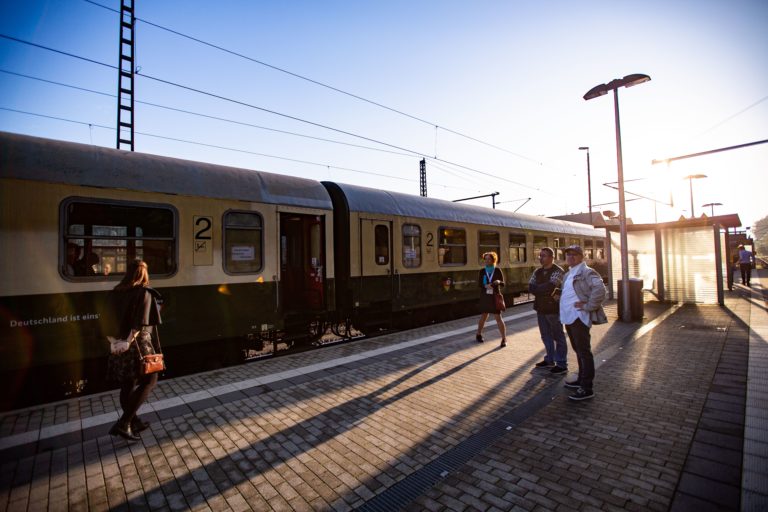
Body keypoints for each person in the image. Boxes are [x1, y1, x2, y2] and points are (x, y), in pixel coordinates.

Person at [107, 259, 162, 441]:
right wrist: (129, 341)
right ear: (143, 274)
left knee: (127, 385)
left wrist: (114, 342)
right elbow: (139, 323)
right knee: (150, 380)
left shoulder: (116, 292)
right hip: (137, 345)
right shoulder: (144, 293)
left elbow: (105, 319)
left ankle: (134, 422)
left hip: (118, 345)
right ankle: (124, 423)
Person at [560, 245, 606, 401]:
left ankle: (587, 388)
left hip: (579, 317)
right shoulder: (568, 274)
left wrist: (588, 306)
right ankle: (581, 378)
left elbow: (600, 289)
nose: (570, 257)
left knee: (584, 352)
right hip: (569, 317)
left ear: (581, 256)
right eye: (568, 254)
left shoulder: (587, 272)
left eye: (574, 254)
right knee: (578, 350)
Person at [528, 247, 567, 374]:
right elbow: (530, 287)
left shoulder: (558, 271)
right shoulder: (537, 271)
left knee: (558, 335)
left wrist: (539, 289)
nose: (541, 258)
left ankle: (561, 363)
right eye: (540, 256)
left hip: (553, 308)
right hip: (541, 308)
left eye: (543, 256)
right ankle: (549, 359)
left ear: (551, 257)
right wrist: (542, 290)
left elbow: (552, 286)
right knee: (545, 335)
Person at [475, 252, 507, 348]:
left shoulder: (497, 270)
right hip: (485, 296)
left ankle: (504, 339)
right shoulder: (482, 271)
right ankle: (478, 334)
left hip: (495, 296)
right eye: (486, 259)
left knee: (498, 317)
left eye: (489, 259)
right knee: (484, 316)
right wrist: (485, 285)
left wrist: (498, 282)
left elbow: (503, 283)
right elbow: (480, 284)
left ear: (493, 260)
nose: (487, 261)